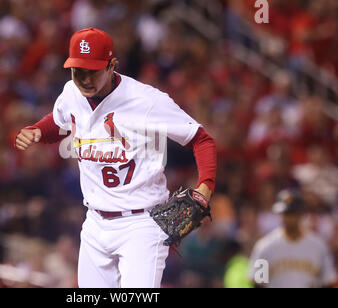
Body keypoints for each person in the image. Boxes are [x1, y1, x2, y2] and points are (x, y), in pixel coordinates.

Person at [15, 27, 217, 288]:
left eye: (93, 71)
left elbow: (201, 139)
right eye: (78, 71)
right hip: (94, 223)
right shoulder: (71, 93)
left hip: (142, 223)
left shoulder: (147, 101)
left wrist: (205, 187)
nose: (84, 79)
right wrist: (38, 131)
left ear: (112, 66)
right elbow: (59, 122)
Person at [248, 189, 337, 288]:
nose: (290, 218)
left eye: (293, 213)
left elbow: (328, 280)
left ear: (301, 214)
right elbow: (257, 283)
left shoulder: (319, 246)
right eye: (286, 214)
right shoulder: (265, 246)